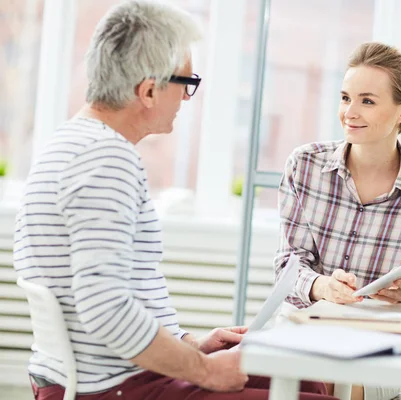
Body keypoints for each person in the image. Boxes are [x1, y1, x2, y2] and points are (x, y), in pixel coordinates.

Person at [14, 2, 335, 399]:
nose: (186, 97)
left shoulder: (71, 144)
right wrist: (206, 371)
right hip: (112, 388)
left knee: (301, 379)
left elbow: (112, 297)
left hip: (112, 373)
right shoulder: (105, 160)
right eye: (186, 81)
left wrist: (190, 344)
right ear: (148, 90)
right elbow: (104, 308)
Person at [275, 42, 401, 400]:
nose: (349, 112)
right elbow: (287, 265)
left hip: (382, 335)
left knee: (347, 380)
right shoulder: (305, 165)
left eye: (367, 101)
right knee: (326, 378)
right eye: (345, 98)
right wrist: (323, 286)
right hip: (308, 322)